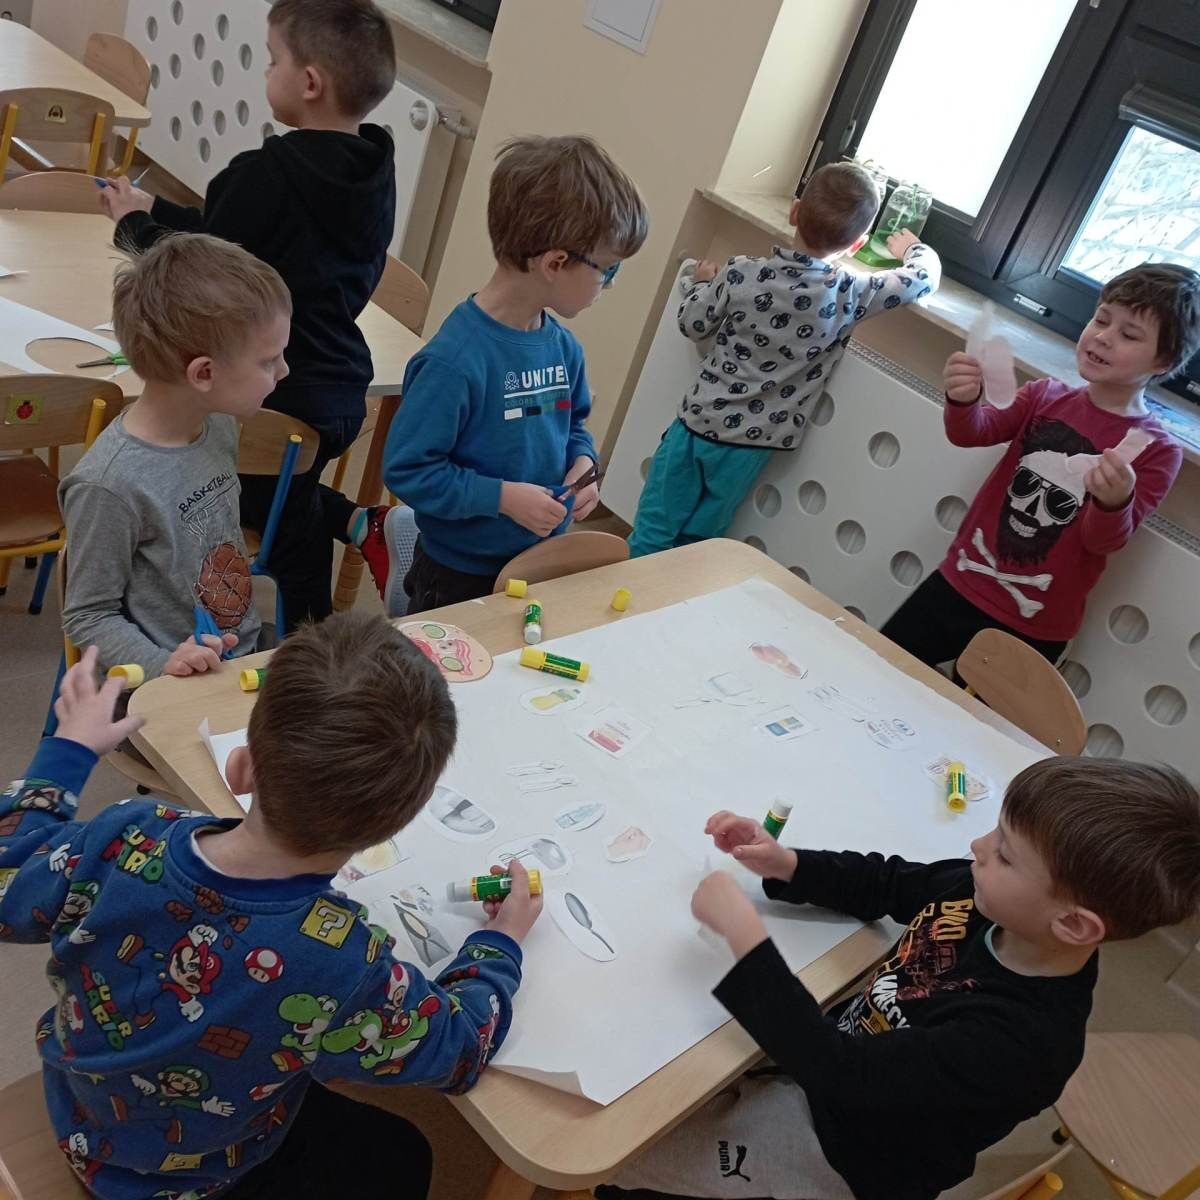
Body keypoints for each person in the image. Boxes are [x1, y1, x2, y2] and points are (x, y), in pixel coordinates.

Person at [0, 611, 542, 1199]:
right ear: (391, 826)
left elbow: (7, 876)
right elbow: (461, 1050)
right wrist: (500, 944)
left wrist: (67, 751)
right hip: (198, 1177)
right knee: (403, 1154)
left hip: (79, 1106)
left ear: (241, 767)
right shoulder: (346, 965)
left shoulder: (123, 834)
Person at [600, 758, 1200, 1200]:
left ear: (1072, 924)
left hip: (847, 1151)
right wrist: (788, 865)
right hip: (829, 1060)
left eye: (1006, 854)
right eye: (995, 832)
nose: (978, 845)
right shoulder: (984, 895)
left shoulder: (1020, 1044)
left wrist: (745, 942)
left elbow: (843, 1076)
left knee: (621, 1155)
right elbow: (889, 883)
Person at [100, 0, 398, 630]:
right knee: (284, 494)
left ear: (309, 82)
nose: (266, 72)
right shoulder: (374, 172)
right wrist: (155, 209)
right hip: (340, 388)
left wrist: (133, 227)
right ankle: (357, 525)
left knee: (241, 504)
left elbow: (198, 276)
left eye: (271, 60)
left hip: (267, 394)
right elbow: (230, 235)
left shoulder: (263, 174)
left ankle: (311, 636)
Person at [359, 134, 648, 613]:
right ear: (555, 262)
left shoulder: (564, 349)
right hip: (457, 574)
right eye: (609, 271)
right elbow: (410, 470)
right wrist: (502, 498)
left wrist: (583, 464)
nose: (609, 285)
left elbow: (574, 426)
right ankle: (405, 554)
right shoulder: (454, 362)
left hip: (537, 558)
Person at [881, 263, 1198, 672]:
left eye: (1129, 334)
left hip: (1032, 628)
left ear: (1163, 361)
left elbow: (1101, 542)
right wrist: (963, 400)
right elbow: (972, 432)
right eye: (1101, 319)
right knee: (880, 669)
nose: (1103, 336)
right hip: (958, 583)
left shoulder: (1156, 450)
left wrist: (1114, 502)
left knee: (969, 715)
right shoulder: (1045, 395)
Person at [627, 162, 940, 558]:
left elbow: (692, 323)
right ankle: (678, 593)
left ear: (794, 212)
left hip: (698, 425)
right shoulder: (849, 293)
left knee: (654, 527)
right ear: (857, 243)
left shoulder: (742, 274)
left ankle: (628, 591)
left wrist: (699, 284)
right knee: (700, 541)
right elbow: (923, 278)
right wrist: (912, 249)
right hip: (752, 445)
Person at [60, 233, 290, 680]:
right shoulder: (108, 485)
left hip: (236, 654)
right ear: (204, 373)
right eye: (269, 361)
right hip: (166, 685)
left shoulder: (217, 423)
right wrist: (164, 665)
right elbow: (88, 616)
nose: (284, 370)